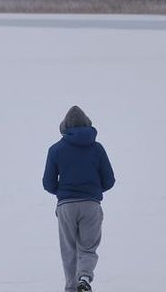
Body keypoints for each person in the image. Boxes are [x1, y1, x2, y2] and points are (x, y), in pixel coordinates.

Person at [43, 106, 115, 292]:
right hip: (91, 204)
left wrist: (64, 192)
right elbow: (109, 180)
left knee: (69, 250)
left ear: (64, 127)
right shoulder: (97, 148)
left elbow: (48, 183)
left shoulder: (56, 149)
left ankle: (71, 287)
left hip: (66, 205)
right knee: (88, 247)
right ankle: (84, 277)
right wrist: (92, 190)